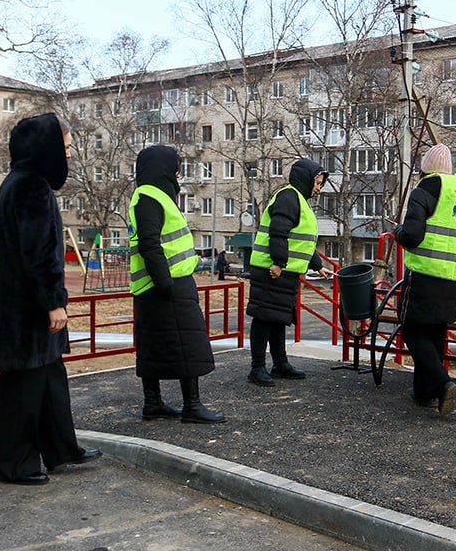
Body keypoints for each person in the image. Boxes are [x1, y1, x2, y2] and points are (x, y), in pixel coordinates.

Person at [0, 113, 101, 485]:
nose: (71, 154)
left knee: (50, 378)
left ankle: (61, 449)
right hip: (26, 311)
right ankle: (15, 463)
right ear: (47, 149)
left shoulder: (18, 181)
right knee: (24, 387)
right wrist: (53, 302)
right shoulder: (32, 187)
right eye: (66, 146)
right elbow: (38, 252)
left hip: (20, 307)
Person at [129, 145, 225, 424]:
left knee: (153, 344)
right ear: (163, 168)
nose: (178, 173)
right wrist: (165, 284)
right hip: (166, 285)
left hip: (157, 285)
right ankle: (192, 406)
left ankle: (154, 403)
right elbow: (149, 243)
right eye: (175, 167)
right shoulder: (150, 196)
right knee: (188, 344)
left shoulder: (151, 194)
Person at [393, 143, 456, 416]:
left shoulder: (425, 189)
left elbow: (412, 235)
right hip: (454, 278)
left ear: (425, 167)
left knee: (412, 330)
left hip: (425, 274)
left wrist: (398, 231)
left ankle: (442, 384)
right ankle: (425, 393)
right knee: (435, 333)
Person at [246, 158, 335, 386]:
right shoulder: (289, 197)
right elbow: (278, 232)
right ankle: (257, 369)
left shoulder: (298, 200)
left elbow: (300, 242)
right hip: (272, 270)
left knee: (277, 319)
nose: (318, 187)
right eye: (317, 182)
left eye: (321, 184)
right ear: (306, 179)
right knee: (264, 318)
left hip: (283, 272)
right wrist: (278, 262)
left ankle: (280, 363)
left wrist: (318, 266)